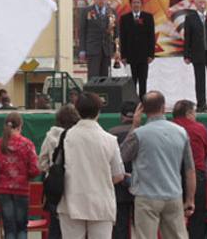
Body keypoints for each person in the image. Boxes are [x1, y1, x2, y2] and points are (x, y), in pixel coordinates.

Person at [120, 92, 195, 239]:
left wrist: (135, 125)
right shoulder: (181, 132)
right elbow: (189, 169)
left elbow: (122, 156)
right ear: (163, 107)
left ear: (142, 109)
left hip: (146, 196)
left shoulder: (139, 134)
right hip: (173, 194)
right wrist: (190, 199)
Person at [58, 92, 125, 238]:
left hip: (71, 200)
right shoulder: (110, 140)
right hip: (101, 202)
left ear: (77, 110)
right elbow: (118, 175)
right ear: (99, 111)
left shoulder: (65, 137)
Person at [0, 112, 40, 239]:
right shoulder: (27, 144)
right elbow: (35, 169)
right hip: (22, 189)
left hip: (3, 190)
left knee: (9, 227)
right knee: (22, 227)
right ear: (20, 125)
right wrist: (27, 176)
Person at [37, 104, 80, 239]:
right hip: (76, 184)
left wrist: (51, 170)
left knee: (55, 226)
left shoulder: (50, 136)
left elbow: (41, 162)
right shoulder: (78, 136)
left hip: (56, 185)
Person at [172, 99, 207, 239]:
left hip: (173, 175)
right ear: (189, 113)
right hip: (197, 175)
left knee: (172, 216)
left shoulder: (169, 128)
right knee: (197, 216)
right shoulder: (199, 128)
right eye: (194, 113)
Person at [109, 101, 137, 239]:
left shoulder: (111, 133)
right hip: (141, 186)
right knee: (144, 228)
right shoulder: (144, 132)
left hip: (118, 186)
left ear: (121, 116)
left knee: (120, 227)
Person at [119, 0, 156, 99]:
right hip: (130, 55)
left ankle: (143, 102)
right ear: (130, 4)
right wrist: (123, 56)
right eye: (134, 2)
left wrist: (151, 54)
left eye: (138, 2)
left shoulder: (148, 17)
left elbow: (151, 37)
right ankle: (133, 102)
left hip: (144, 55)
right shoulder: (124, 18)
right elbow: (123, 38)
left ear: (141, 4)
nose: (136, 4)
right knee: (132, 81)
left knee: (143, 80)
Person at [78, 0, 120, 79]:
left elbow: (116, 32)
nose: (102, 1)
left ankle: (104, 89)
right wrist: (82, 50)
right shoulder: (86, 11)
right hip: (92, 49)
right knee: (93, 77)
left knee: (105, 77)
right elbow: (82, 32)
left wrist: (117, 50)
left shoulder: (112, 12)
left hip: (107, 50)